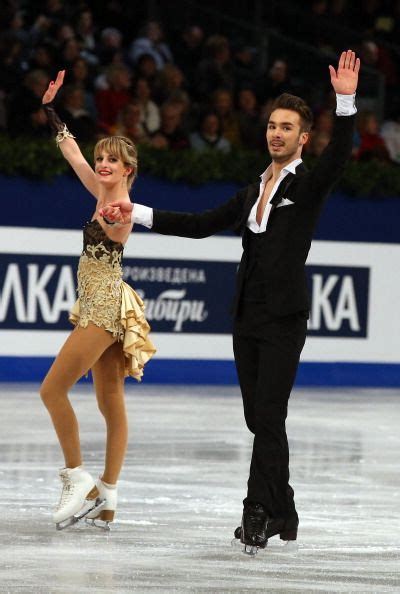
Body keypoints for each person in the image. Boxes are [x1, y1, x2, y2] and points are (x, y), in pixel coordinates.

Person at [102, 50, 360, 553]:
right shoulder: (252, 192)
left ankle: (257, 514)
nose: (276, 133)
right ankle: (285, 508)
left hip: (285, 318)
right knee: (259, 419)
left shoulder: (306, 186)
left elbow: (339, 158)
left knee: (268, 416)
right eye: (271, 125)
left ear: (303, 137)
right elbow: (201, 225)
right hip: (246, 318)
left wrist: (345, 102)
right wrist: (139, 211)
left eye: (287, 128)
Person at [39, 70, 156, 531]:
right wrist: (50, 110)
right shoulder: (100, 189)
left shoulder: (118, 205)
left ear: (129, 169)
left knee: (52, 390)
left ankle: (78, 478)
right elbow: (71, 153)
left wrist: (114, 214)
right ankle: (107, 498)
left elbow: (118, 223)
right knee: (110, 400)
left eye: (113, 160)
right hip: (100, 301)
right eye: (101, 157)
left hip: (104, 307)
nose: (103, 164)